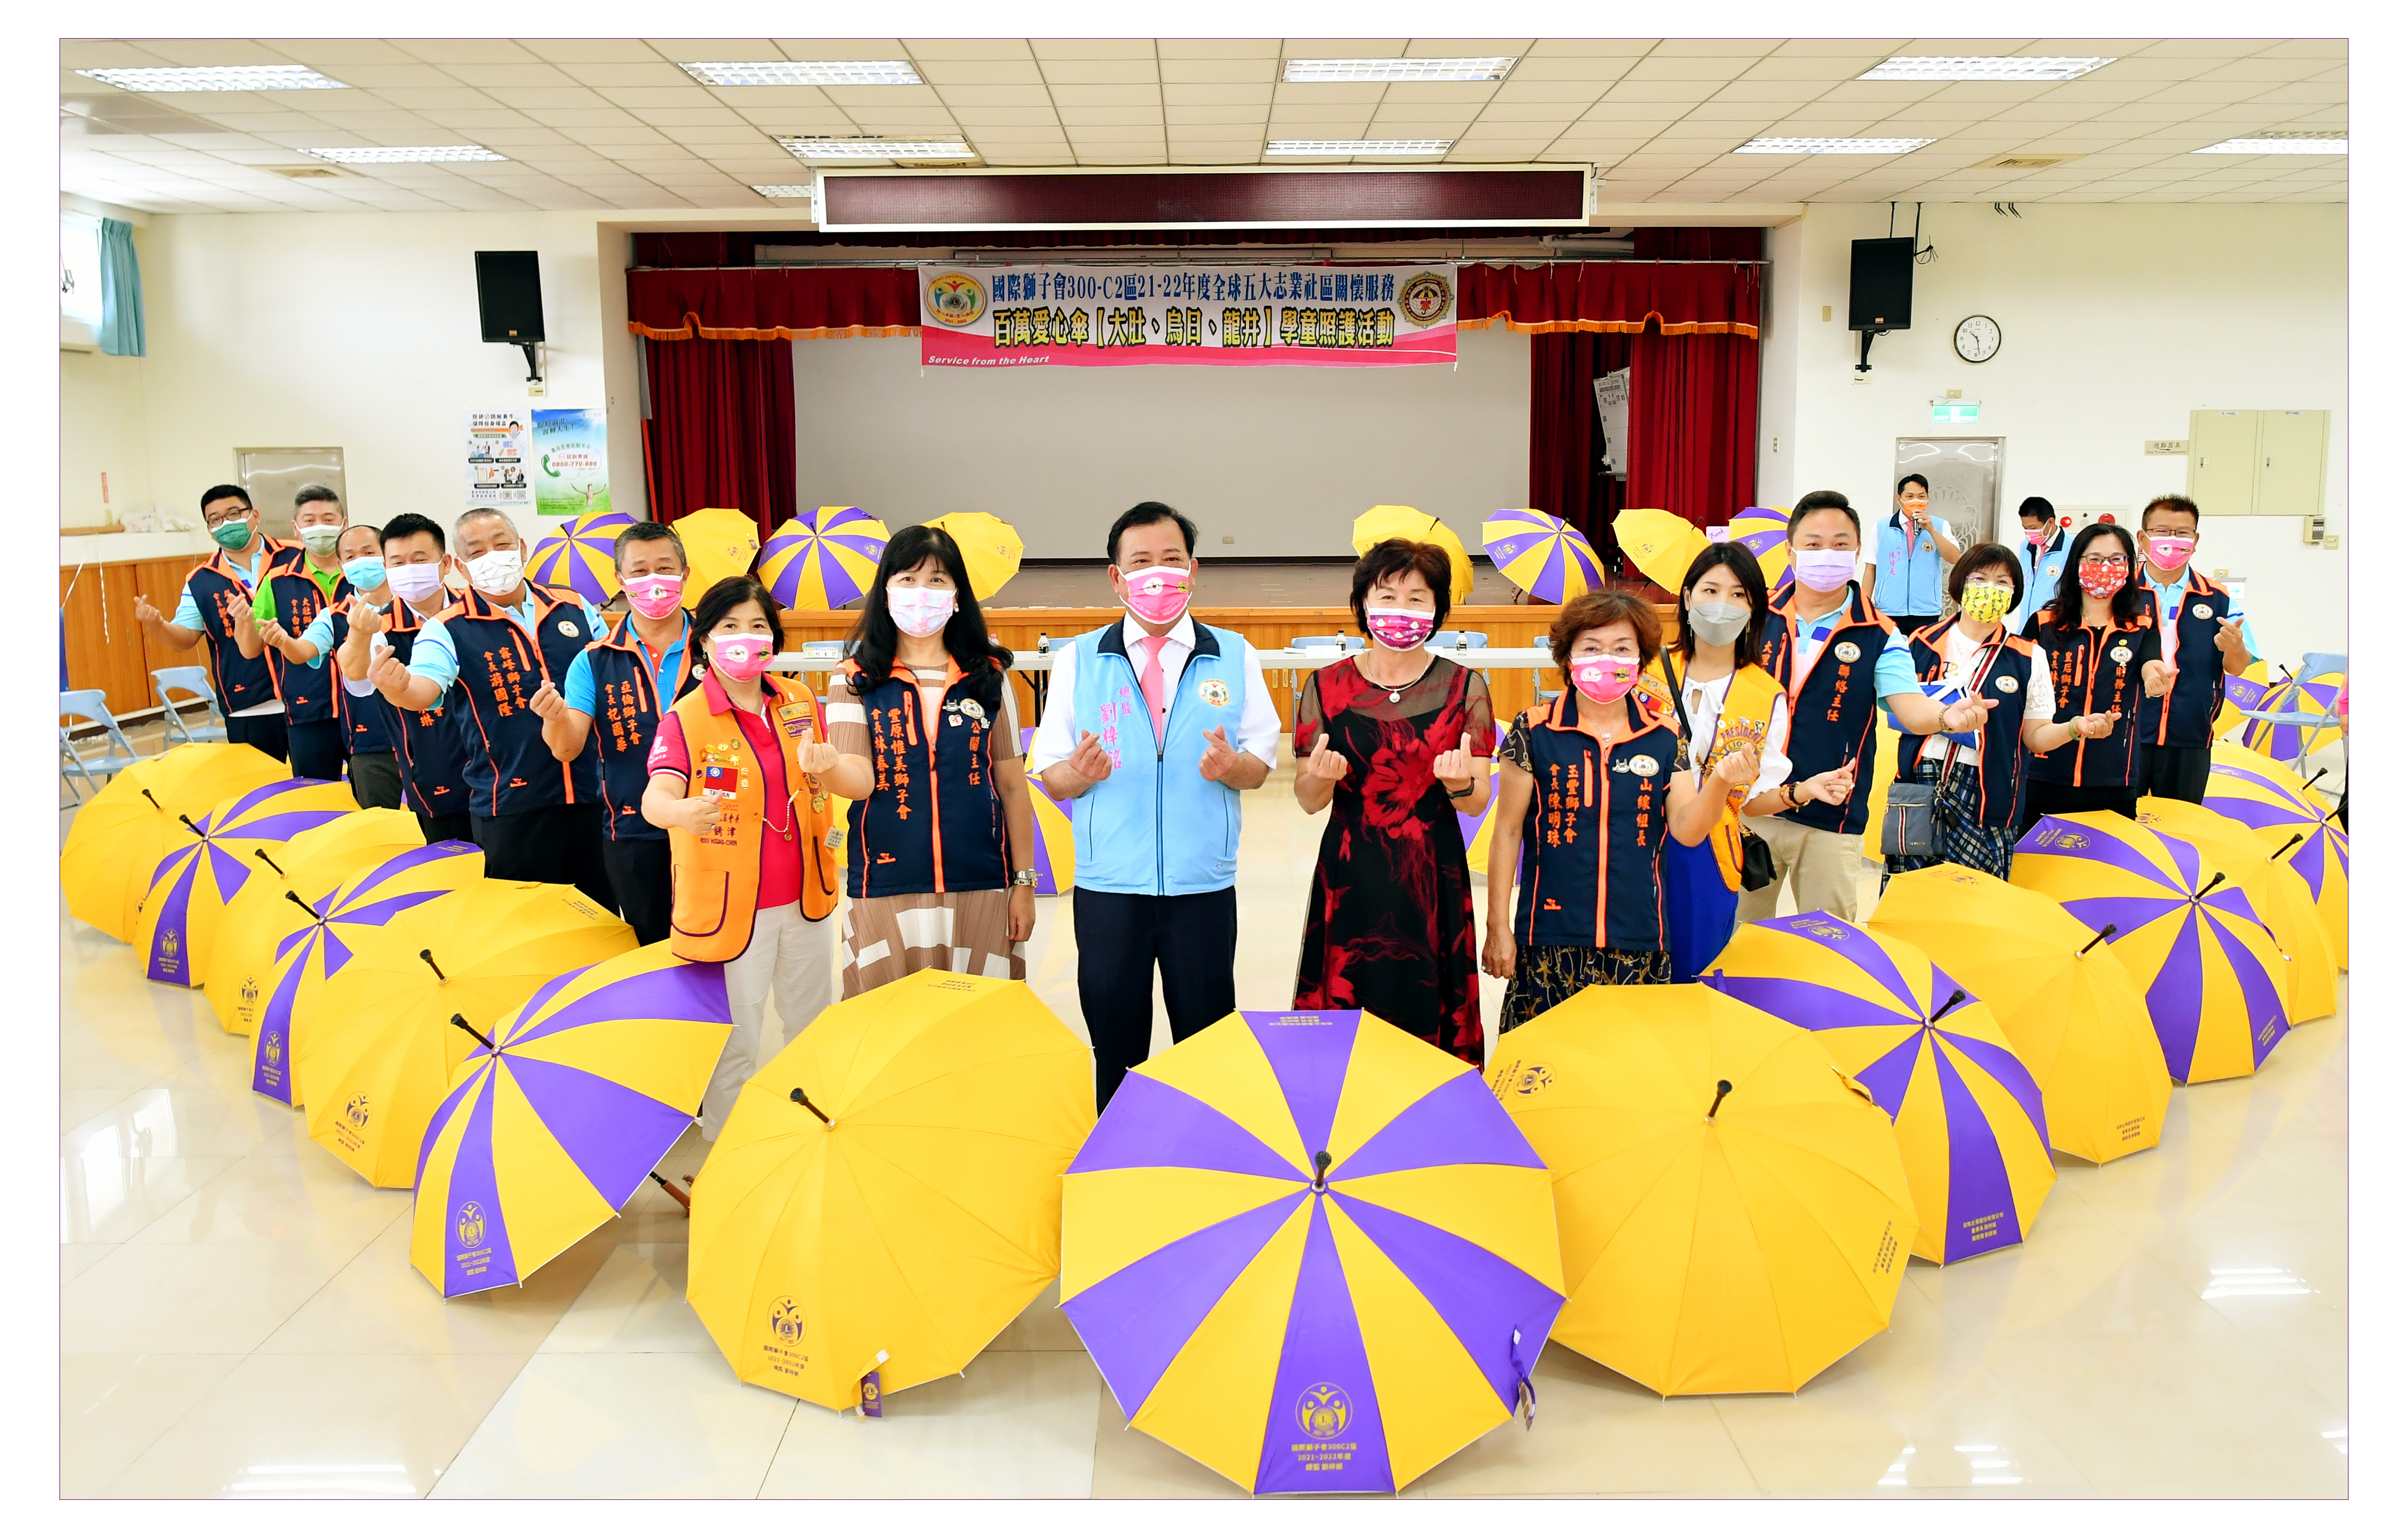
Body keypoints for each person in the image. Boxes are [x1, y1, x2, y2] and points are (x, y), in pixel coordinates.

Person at [1030, 501, 1280, 1110]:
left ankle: (1210, 1161)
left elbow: (1258, 767)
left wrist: (1233, 767)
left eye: (1171, 560)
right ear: (1116, 578)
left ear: (1192, 570)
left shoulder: (1234, 655)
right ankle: (1119, 1165)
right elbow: (1052, 777)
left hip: (1201, 884)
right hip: (1109, 886)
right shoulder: (1079, 661)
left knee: (1207, 1040)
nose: (1157, 575)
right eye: (1140, 562)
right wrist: (1077, 774)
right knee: (1115, 1044)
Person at [1483, 589, 1752, 1031]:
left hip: (1639, 939)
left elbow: (1686, 830)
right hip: (1548, 937)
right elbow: (1507, 833)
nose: (1606, 659)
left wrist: (1720, 782)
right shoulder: (1533, 730)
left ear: (1640, 660)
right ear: (1568, 657)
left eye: (1621, 649)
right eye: (1591, 648)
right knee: (1543, 1073)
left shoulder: (1664, 736)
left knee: (1627, 1079)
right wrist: (1498, 927)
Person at [642, 575, 839, 1140]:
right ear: (703, 640)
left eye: (757, 627)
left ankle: (808, 1137)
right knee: (737, 1037)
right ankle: (730, 1148)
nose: (744, 638)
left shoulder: (798, 700)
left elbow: (819, 773)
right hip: (732, 911)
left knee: (809, 1027)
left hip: (806, 897)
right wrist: (679, 812)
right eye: (729, 627)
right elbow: (656, 795)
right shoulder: (685, 718)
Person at [1290, 538, 1493, 1063]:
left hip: (1432, 873)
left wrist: (1457, 785)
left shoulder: (1464, 687)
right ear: (1362, 604)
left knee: (1427, 998)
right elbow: (1308, 800)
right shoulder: (1325, 687)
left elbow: (1476, 802)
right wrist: (1321, 777)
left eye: (1416, 598)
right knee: (1352, 1002)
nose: (1399, 611)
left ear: (1437, 610)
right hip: (1352, 868)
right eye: (1386, 596)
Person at [817, 525, 1038, 995]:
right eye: (907, 580)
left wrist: (1023, 883)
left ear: (957, 595)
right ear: (886, 592)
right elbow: (857, 778)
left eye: (937, 580)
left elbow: (1014, 787)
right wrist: (827, 767)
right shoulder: (854, 678)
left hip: (981, 881)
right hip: (885, 883)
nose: (922, 593)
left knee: (977, 1028)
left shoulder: (989, 677)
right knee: (886, 1027)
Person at [363, 509, 613, 909]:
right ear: (461, 567)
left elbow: (612, 672)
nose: (493, 556)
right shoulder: (446, 628)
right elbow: (424, 689)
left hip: (595, 796)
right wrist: (399, 688)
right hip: (511, 803)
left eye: (502, 544)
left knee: (602, 918)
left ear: (522, 548)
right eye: (477, 551)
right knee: (526, 927)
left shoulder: (574, 607)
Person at [1874, 542, 2130, 880]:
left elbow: (2035, 738)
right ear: (1960, 583)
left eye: (2002, 583)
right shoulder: (1918, 643)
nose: (1989, 590)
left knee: (1976, 904)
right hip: (1919, 788)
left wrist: (2074, 728)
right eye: (1979, 578)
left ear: (2014, 594)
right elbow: (1897, 714)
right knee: (1908, 901)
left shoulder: (2027, 656)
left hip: (1990, 791)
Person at [532, 521, 699, 945]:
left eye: (664, 568)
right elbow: (568, 749)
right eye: (639, 572)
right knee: (653, 946)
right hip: (633, 828)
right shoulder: (594, 660)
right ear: (621, 582)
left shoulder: (716, 647)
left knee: (719, 945)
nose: (653, 581)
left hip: (713, 822)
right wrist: (553, 719)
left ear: (684, 574)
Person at [1641, 543, 1794, 984]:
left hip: (1706, 853)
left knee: (1693, 972)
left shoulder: (1766, 697)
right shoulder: (1644, 669)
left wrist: (1798, 794)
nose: (1721, 605)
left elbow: (1753, 801)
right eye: (1710, 590)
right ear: (1687, 597)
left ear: (1753, 610)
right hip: (1629, 839)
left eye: (1738, 595)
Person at [1739, 492, 1892, 925]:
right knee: (1737, 939)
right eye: (1813, 543)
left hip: (1832, 813)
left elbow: (1907, 707)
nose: (1827, 553)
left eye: (1840, 544)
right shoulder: (1752, 615)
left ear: (1857, 551)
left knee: (1828, 943)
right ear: (1790, 552)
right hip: (1751, 806)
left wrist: (1943, 717)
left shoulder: (1879, 631)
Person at [2020, 522, 2174, 832]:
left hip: (2114, 775)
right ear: (2076, 564)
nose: (2105, 567)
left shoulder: (2141, 627)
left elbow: (2150, 663)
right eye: (2094, 559)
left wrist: (2154, 676)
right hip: (2044, 771)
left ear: (2130, 567)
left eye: (2117, 560)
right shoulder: (2044, 624)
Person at [132, 484, 299, 762]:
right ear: (209, 529)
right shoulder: (201, 580)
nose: (226, 523)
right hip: (248, 704)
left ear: (254, 516)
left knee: (321, 786)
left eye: (234, 514)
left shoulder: (295, 557)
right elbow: (185, 638)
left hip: (310, 694)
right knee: (261, 793)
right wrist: (158, 624)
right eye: (216, 520)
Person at [336, 513, 475, 839]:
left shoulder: (476, 614)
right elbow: (354, 672)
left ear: (445, 565)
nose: (409, 570)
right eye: (397, 563)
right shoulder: (380, 627)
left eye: (419, 560)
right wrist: (358, 633)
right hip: (435, 770)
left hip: (503, 771)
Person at [260, 522, 405, 808]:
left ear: (387, 555)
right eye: (350, 557)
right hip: (371, 742)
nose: (361, 561)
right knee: (382, 824)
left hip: (426, 736)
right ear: (341, 564)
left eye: (369, 552)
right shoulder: (335, 616)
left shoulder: (414, 605)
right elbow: (303, 652)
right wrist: (284, 641)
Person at [2134, 493, 2258, 804]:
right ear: (2143, 538)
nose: (2171, 541)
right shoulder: (2121, 593)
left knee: (2181, 826)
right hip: (2126, 731)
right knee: (2120, 825)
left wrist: (2234, 647)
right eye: (2162, 531)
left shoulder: (2218, 597)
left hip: (2189, 733)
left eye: (2182, 533)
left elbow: (2238, 667)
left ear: (2195, 539)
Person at [236, 484, 352, 781]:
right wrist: (244, 622)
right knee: (316, 799)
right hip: (308, 710)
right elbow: (251, 650)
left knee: (375, 796)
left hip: (366, 710)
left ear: (344, 523)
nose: (319, 527)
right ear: (296, 528)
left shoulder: (366, 576)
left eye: (328, 519)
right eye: (310, 521)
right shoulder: (277, 581)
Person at [1870, 473, 1962, 633]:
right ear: (1899, 499)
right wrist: (1864, 604)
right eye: (1910, 496)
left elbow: (1954, 558)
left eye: (1921, 496)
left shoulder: (1940, 526)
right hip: (1888, 609)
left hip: (1926, 611)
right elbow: (1871, 567)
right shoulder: (1881, 528)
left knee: (1922, 656)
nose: (1916, 501)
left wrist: (1931, 530)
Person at [2009, 495, 2070, 633]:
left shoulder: (2072, 547)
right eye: (2026, 529)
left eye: (2033, 528)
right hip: (2026, 627)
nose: (2030, 534)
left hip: (2056, 627)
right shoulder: (2025, 547)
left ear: (2050, 522)